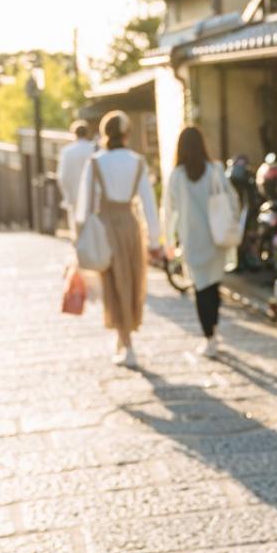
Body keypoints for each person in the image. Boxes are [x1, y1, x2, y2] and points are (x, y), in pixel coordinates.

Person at [74, 111, 162, 367]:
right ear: (127, 134)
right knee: (132, 279)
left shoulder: (96, 162)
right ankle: (125, 337)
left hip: (105, 226)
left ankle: (126, 342)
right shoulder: (137, 162)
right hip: (131, 226)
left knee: (113, 282)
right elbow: (148, 202)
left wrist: (80, 235)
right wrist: (155, 240)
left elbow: (83, 208)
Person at [161, 126, 238, 358]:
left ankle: (209, 337)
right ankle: (214, 330)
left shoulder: (177, 176)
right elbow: (232, 199)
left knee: (200, 288)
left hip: (192, 240)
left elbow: (169, 211)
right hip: (216, 239)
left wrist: (169, 240)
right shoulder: (215, 169)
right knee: (214, 286)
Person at [57, 120, 96, 236]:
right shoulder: (93, 148)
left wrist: (66, 195)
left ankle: (79, 248)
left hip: (74, 192)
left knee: (76, 226)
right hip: (91, 192)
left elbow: (62, 176)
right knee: (91, 224)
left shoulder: (67, 151)